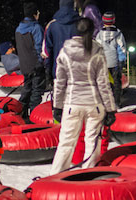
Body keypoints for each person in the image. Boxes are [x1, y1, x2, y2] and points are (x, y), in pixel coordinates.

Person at [50, 18, 117, 174]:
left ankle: (55, 176)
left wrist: (57, 107)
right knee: (92, 142)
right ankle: (88, 176)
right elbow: (103, 84)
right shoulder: (97, 51)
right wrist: (110, 108)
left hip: (72, 103)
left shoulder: (65, 51)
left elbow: (60, 83)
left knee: (66, 142)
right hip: (94, 104)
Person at [15, 3, 46, 114]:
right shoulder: (36, 28)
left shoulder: (19, 28)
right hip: (35, 65)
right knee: (37, 90)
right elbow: (39, 47)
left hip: (24, 64)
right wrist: (41, 62)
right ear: (34, 14)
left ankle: (20, 112)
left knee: (27, 88)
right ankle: (34, 115)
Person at [42, 0, 78, 81]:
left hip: (58, 68)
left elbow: (47, 51)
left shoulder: (52, 25)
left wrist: (48, 70)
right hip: (77, 70)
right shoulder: (81, 23)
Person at [95, 12, 126, 107]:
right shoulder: (118, 33)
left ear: (103, 21)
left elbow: (97, 48)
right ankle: (116, 102)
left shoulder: (99, 34)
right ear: (114, 20)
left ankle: (105, 102)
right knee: (116, 82)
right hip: (115, 62)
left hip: (103, 62)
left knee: (103, 82)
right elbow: (122, 48)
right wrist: (122, 60)